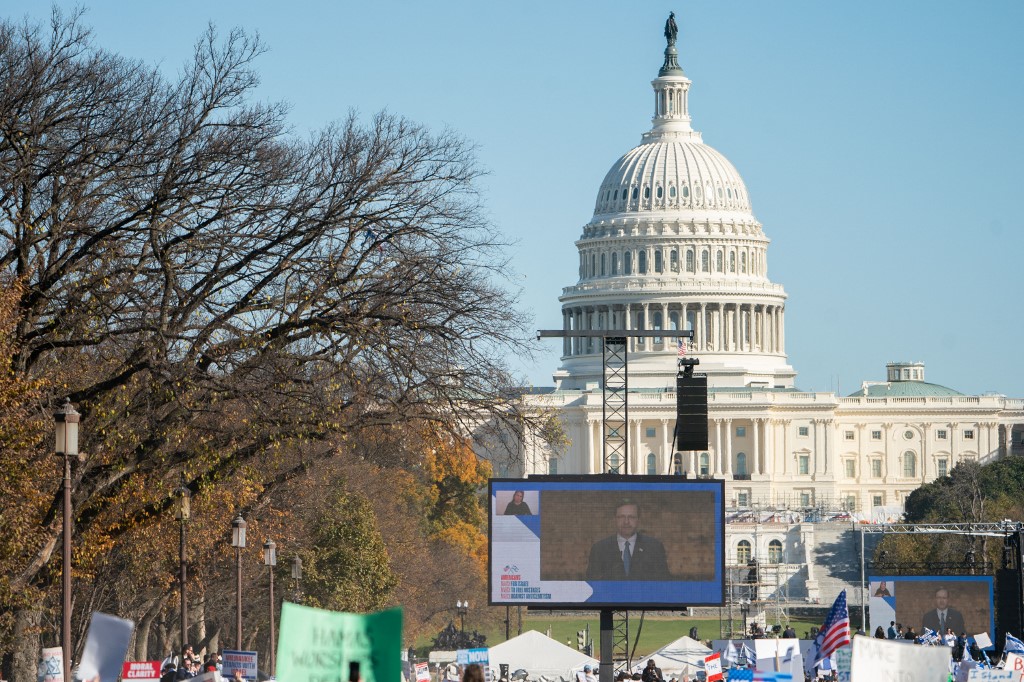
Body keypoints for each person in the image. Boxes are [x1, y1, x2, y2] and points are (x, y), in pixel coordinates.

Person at [586, 500, 670, 581]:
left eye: (631, 517)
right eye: (621, 517)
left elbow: (663, 585)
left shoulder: (654, 548)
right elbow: (592, 586)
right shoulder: (599, 549)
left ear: (638, 520)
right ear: (615, 519)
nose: (626, 522)